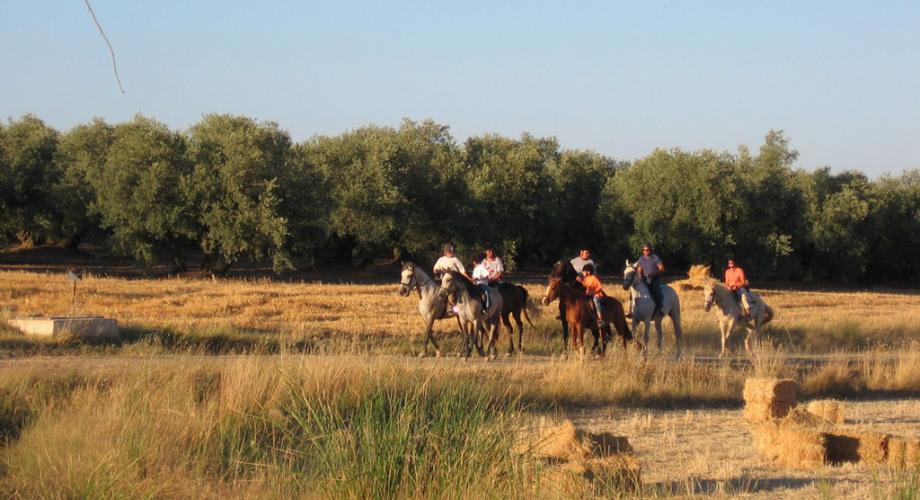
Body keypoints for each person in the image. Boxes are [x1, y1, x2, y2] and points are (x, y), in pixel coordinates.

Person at [636, 243, 664, 314]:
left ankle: (660, 308)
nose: (645, 251)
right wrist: (639, 276)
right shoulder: (641, 259)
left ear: (650, 250)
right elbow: (639, 269)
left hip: (655, 278)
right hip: (645, 279)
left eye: (647, 250)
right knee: (634, 290)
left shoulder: (655, 258)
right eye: (644, 250)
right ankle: (632, 309)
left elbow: (662, 268)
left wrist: (653, 274)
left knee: (655, 289)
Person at [577, 263, 606, 328]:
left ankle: (600, 320)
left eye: (584, 271)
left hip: (597, 295)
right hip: (589, 294)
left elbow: (600, 286)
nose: (582, 272)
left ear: (588, 271)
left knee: (596, 301)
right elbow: (585, 285)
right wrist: (580, 281)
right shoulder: (586, 278)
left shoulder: (593, 278)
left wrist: (593, 292)